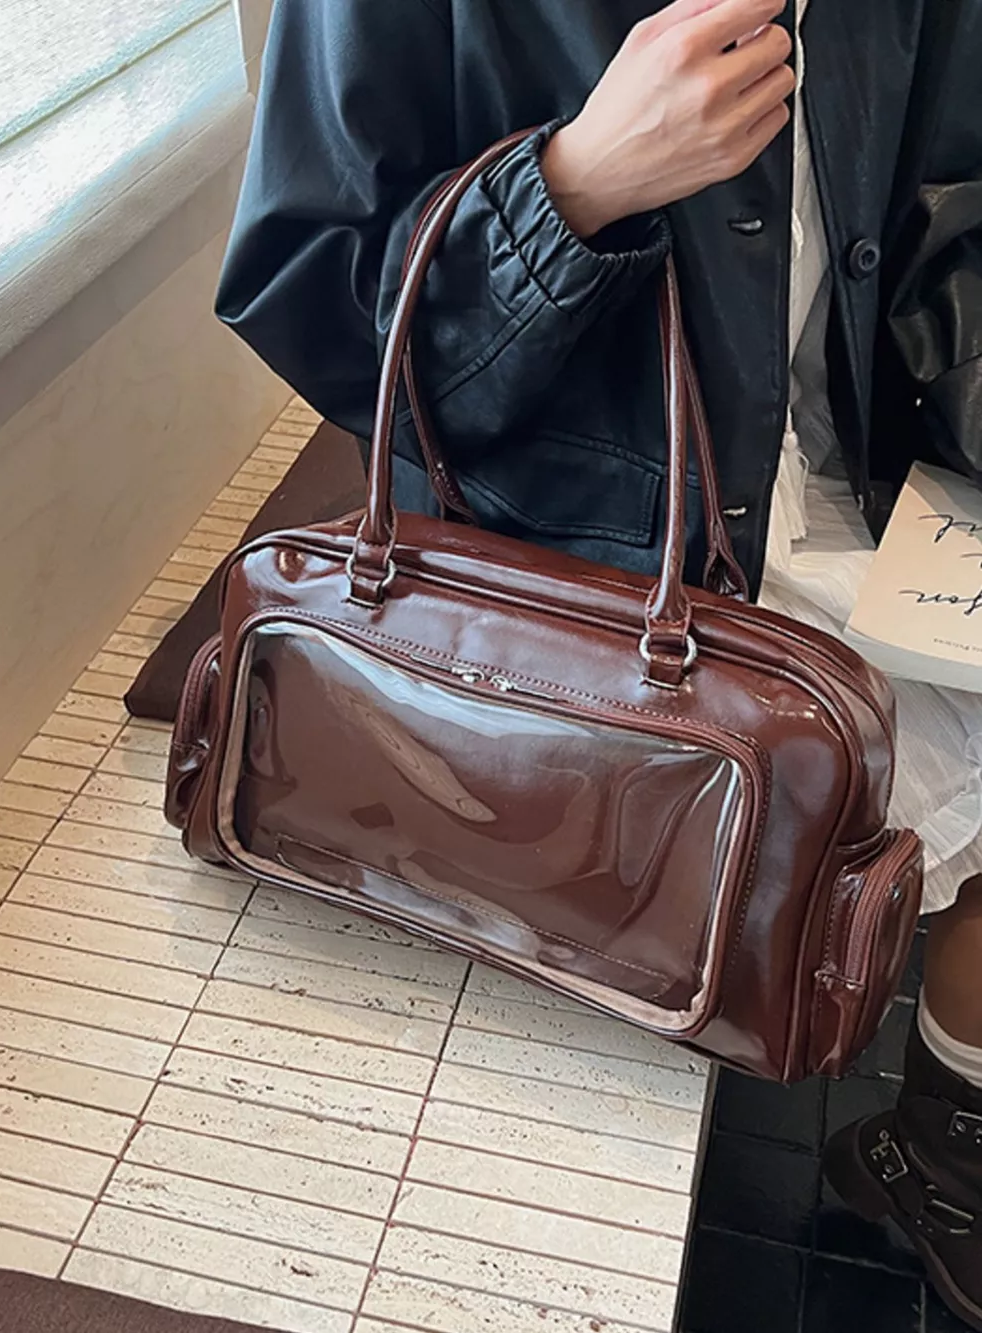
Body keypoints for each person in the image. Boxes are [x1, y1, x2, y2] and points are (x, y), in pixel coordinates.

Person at [215, 0, 982, 1323]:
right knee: (609, 946)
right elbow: (316, 297)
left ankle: (944, 1155)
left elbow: (954, 219)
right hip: (572, 558)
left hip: (867, 485)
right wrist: (572, 187)